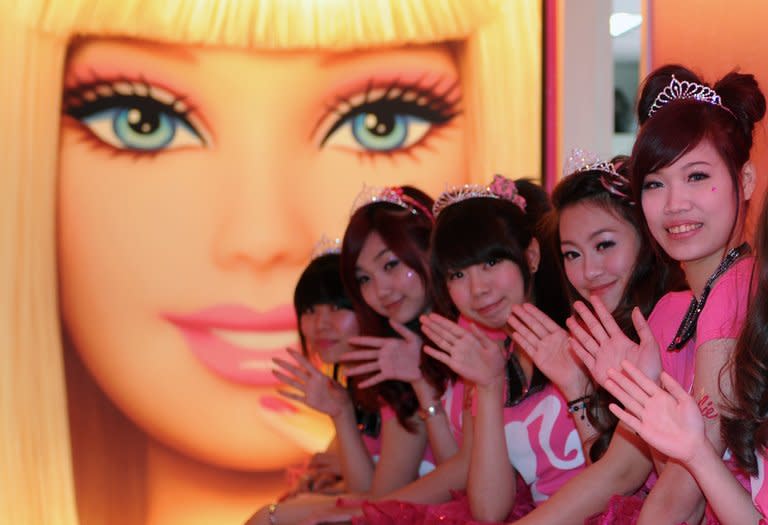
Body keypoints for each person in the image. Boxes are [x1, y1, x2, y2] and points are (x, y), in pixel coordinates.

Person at [1, 1, 545, 523]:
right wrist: (344, 421)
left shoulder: (470, 348)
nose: (257, 239)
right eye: (142, 119)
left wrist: (353, 488)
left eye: (380, 119)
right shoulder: (405, 356)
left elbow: (444, 482)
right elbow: (387, 485)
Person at [569, 64, 764, 524]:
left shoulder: (740, 285)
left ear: (747, 181)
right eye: (655, 183)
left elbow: (683, 493)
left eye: (697, 176)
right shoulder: (673, 311)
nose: (675, 203)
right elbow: (624, 470)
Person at [504, 152, 681, 524]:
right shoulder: (610, 328)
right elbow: (612, 476)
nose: (588, 271)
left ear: (646, 235)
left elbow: (622, 474)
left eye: (604, 245)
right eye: (572, 254)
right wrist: (576, 389)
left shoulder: (669, 320)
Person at [274, 248, 381, 497]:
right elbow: (331, 465)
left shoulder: (395, 386)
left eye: (335, 307)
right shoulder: (353, 387)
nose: (321, 324)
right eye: (310, 311)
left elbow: (372, 493)